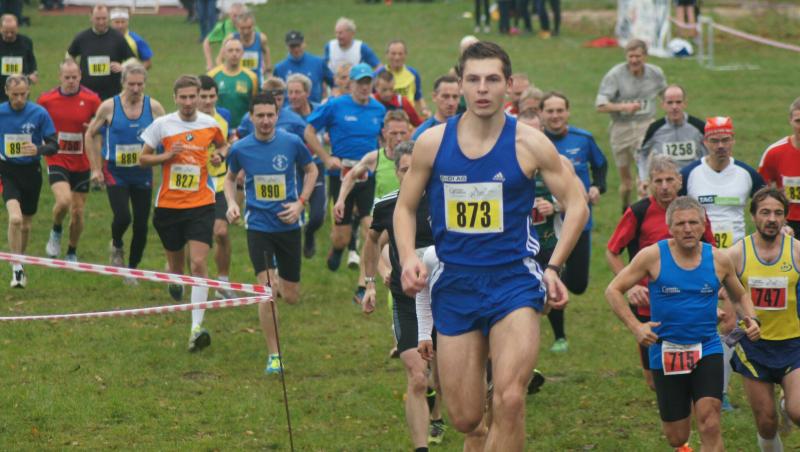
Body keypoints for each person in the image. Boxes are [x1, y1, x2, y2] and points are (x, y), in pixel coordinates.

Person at [394, 41, 588, 451]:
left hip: (514, 280)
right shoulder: (432, 143)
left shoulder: (530, 143)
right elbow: (405, 207)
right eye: (474, 79)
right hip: (456, 283)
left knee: (510, 398)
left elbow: (577, 205)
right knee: (466, 417)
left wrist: (553, 268)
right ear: (461, 84)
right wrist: (408, 256)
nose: (482, 89)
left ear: (509, 84)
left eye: (493, 79)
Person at [606, 195, 761, 451]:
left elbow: (740, 294)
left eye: (693, 223)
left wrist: (751, 318)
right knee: (677, 437)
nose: (687, 229)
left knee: (710, 421)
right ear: (669, 227)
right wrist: (636, 327)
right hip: (667, 349)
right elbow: (613, 290)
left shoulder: (718, 260)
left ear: (703, 225)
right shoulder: (652, 256)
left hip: (707, 347)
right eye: (680, 224)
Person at [224, 93, 317, 374]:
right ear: (251, 117)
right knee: (266, 290)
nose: (265, 121)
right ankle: (274, 355)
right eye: (260, 116)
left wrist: (300, 203)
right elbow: (229, 178)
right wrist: (231, 203)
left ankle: (279, 282)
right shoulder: (240, 148)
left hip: (288, 226)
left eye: (270, 115)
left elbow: (311, 170)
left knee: (290, 295)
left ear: (277, 115)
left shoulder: (292, 142)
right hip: (258, 226)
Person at [606, 155, 715, 391]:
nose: (664, 187)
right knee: (655, 381)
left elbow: (712, 255)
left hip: (691, 299)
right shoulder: (639, 211)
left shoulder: (693, 213)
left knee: (695, 372)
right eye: (658, 181)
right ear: (648, 183)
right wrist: (631, 286)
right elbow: (612, 251)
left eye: (669, 180)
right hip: (650, 305)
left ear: (679, 181)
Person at [138, 75, 228, 352]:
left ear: (199, 97)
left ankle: (196, 328)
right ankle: (175, 281)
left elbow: (223, 144)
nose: (188, 102)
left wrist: (220, 155)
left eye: (193, 97)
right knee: (177, 268)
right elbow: (143, 158)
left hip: (201, 203)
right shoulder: (162, 125)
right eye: (183, 97)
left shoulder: (210, 124)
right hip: (169, 206)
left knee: (198, 264)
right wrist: (165, 156)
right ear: (175, 98)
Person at [361, 141, 440, 450]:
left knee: (445, 377)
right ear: (396, 172)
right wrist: (370, 282)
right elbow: (371, 241)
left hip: (445, 300)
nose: (410, 175)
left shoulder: (442, 201)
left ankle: (438, 414)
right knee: (418, 376)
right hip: (407, 301)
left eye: (415, 169)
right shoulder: (387, 205)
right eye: (404, 170)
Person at [726, 187, 800, 451]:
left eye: (778, 213)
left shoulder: (797, 251)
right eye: (765, 212)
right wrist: (743, 317)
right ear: (753, 216)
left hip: (794, 344)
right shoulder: (737, 254)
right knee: (767, 423)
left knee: (798, 411)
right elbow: (726, 294)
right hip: (754, 347)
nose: (772, 219)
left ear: (785, 217)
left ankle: (788, 402)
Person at [540, 91, 608, 353]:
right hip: (546, 226)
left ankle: (547, 289)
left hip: (578, 222)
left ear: (567, 112)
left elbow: (600, 166)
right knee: (553, 275)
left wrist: (597, 187)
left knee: (578, 284)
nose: (555, 116)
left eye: (560, 110)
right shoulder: (536, 143)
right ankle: (560, 336)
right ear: (542, 114)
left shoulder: (583, 139)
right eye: (550, 111)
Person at [304, 63, 385, 276]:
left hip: (368, 174)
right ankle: (339, 248)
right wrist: (326, 157)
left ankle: (367, 280)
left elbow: (384, 139)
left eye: (368, 82)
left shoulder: (379, 109)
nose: (364, 87)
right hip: (340, 175)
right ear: (351, 84)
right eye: (360, 83)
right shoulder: (335, 105)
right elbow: (309, 131)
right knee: (342, 236)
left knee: (370, 226)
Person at [85, 62, 165, 281]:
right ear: (123, 83)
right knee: (123, 217)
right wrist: (95, 169)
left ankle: (132, 269)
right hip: (115, 171)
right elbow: (90, 134)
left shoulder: (154, 108)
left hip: (142, 172)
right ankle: (117, 244)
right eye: (131, 84)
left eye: (140, 84)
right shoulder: (108, 107)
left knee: (141, 225)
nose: (136, 89)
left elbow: (166, 137)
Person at [38, 59, 102, 262]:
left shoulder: (92, 100)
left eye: (75, 77)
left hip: (82, 162)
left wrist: (94, 127)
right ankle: (56, 230)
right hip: (57, 158)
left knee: (77, 212)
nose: (71, 81)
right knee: (64, 201)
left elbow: (101, 126)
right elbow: (37, 124)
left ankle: (71, 252)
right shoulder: (46, 100)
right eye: (67, 77)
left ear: (80, 76)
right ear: (60, 77)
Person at [0, 74, 57, 288]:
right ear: (6, 92)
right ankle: (16, 268)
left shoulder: (39, 113)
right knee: (15, 219)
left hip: (32, 172)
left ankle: (20, 261)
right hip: (7, 171)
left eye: (23, 94)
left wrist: (38, 149)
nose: (19, 99)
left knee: (25, 224)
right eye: (14, 95)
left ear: (28, 91)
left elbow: (54, 145)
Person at [596, 39, 667, 209]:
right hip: (621, 128)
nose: (634, 60)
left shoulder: (655, 73)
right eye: (631, 56)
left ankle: (644, 212)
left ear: (645, 56)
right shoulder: (615, 75)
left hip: (646, 125)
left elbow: (665, 94)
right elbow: (600, 105)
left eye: (638, 56)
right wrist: (623, 107)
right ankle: (625, 206)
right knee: (626, 183)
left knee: (645, 176)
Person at [680, 116, 765, 250]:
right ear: (705, 142)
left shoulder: (747, 174)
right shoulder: (688, 174)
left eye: (725, 140)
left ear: (733, 140)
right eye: (714, 141)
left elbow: (768, 204)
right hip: (699, 251)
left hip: (737, 251)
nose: (720, 146)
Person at [197, 74, 236, 299]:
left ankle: (223, 282)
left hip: (220, 182)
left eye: (212, 96)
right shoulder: (185, 119)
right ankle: (187, 278)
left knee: (220, 232)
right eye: (203, 96)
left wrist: (222, 154)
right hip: (194, 185)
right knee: (193, 238)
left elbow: (228, 141)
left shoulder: (225, 116)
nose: (208, 101)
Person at [637, 84, 706, 197]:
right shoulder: (655, 128)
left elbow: (709, 154)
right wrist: (644, 178)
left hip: (693, 184)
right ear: (663, 105)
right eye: (670, 103)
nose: (674, 107)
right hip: (664, 186)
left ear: (685, 103)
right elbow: (642, 154)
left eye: (678, 102)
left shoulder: (699, 127)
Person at [67, 5, 135, 101]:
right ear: (91, 17)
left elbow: (132, 59)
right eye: (97, 19)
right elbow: (69, 55)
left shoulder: (118, 37)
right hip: (86, 93)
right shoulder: (82, 37)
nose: (101, 22)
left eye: (104, 18)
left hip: (112, 93)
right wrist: (74, 69)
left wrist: (122, 66)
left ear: (109, 18)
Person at [758, 96, 800, 237]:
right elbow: (761, 192)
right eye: (798, 121)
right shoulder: (774, 153)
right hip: (787, 224)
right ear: (790, 121)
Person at [207, 38, 258, 129]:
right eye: (230, 50)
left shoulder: (252, 77)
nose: (234, 54)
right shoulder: (212, 76)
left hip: (243, 130)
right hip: (218, 128)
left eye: (237, 50)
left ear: (242, 53)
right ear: (223, 53)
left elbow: (255, 105)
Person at [273, 30, 334, 104]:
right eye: (292, 46)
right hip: (290, 109)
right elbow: (275, 94)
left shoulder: (318, 63)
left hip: (315, 108)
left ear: (304, 44)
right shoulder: (279, 69)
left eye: (298, 45)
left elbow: (335, 83)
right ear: (287, 47)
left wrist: (330, 101)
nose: (296, 49)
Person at [376, 40, 428, 117]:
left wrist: (424, 110)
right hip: (385, 118)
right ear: (387, 55)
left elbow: (418, 97)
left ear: (406, 55)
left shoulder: (413, 74)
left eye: (400, 54)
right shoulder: (378, 74)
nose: (397, 57)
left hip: (408, 118)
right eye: (393, 54)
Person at [222, 10, 270, 88]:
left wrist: (268, 71)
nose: (246, 32)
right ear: (237, 26)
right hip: (236, 82)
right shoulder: (230, 39)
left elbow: (266, 51)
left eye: (249, 28)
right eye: (242, 28)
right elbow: (220, 59)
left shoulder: (261, 39)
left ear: (254, 26)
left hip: (256, 82)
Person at [0, 14, 37, 103]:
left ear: (17, 28)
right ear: (0, 28)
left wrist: (33, 73)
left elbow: (31, 60)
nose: (9, 35)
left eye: (12, 32)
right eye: (6, 32)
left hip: (20, 87)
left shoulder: (26, 42)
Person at [412, 75, 459, 140]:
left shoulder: (466, 129)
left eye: (455, 97)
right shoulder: (422, 133)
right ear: (434, 97)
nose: (451, 103)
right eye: (445, 96)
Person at [202, 3, 247, 68]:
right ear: (229, 15)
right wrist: (209, 63)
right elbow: (206, 42)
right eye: (234, 16)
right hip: (227, 66)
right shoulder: (223, 27)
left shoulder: (250, 28)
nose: (237, 18)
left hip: (245, 64)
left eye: (240, 16)